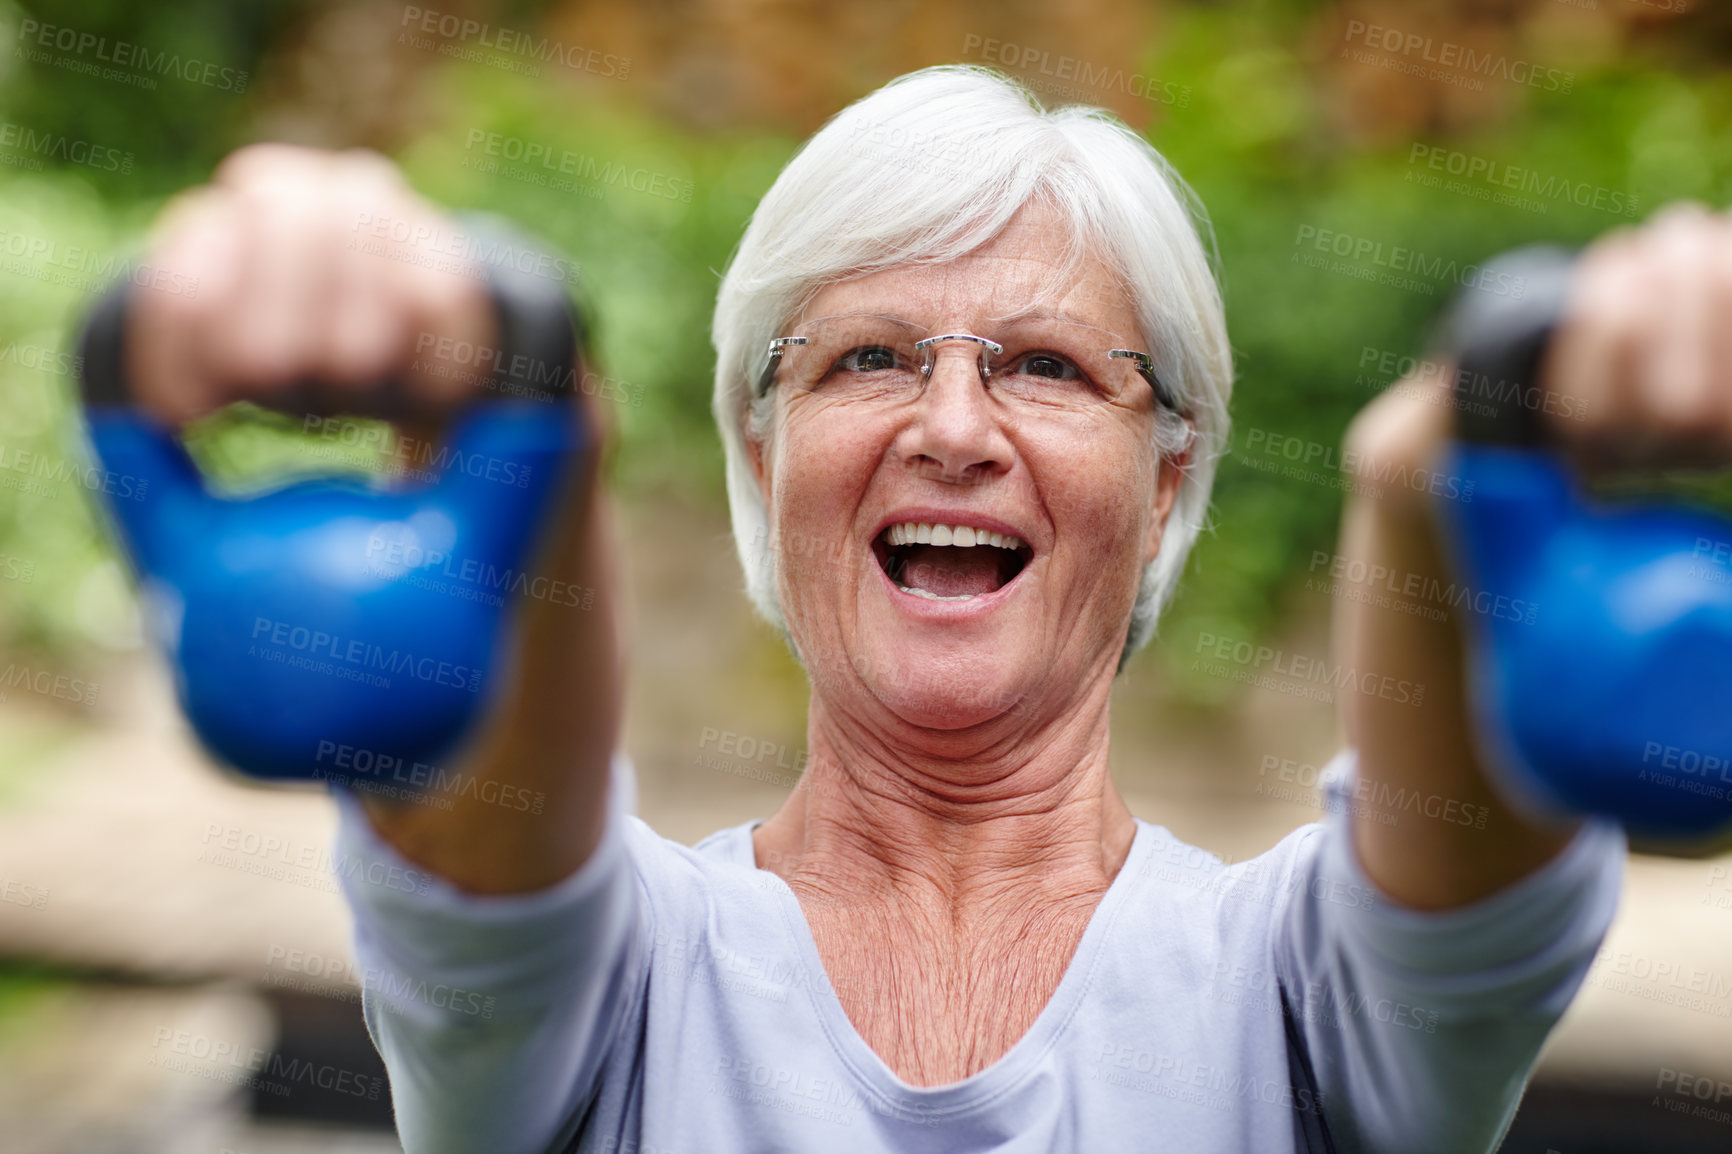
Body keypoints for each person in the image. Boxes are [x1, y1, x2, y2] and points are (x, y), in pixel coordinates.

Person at [121, 65, 1732, 1153]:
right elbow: (491, 847)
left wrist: (1463, 441)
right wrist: (489, 377)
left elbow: (1465, 870)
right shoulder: (615, 979)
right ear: (766, 455)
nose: (953, 428)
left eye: (1044, 365)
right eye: (869, 357)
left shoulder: (1296, 990)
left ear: (1167, 478)